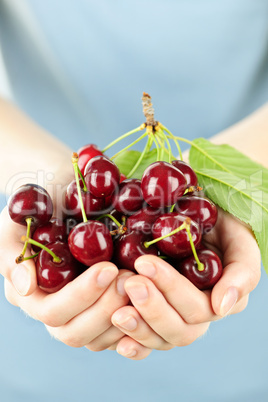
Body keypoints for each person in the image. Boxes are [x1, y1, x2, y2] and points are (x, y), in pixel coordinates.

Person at [0, 1, 268, 401]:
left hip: (243, 354)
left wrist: (225, 178)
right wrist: (46, 168)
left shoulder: (179, 213)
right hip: (33, 359)